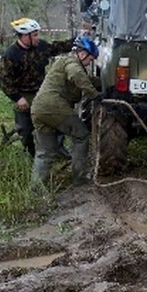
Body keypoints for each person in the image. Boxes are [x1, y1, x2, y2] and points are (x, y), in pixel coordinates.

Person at [30, 36, 101, 187]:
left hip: (38, 108)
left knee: (45, 152)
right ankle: (79, 178)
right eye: (90, 59)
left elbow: (86, 78)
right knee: (81, 135)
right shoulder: (71, 62)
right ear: (82, 54)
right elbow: (77, 75)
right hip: (54, 106)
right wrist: (95, 96)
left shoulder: (64, 61)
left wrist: (103, 83)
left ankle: (36, 189)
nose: (90, 62)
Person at [0, 18, 74, 157]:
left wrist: (76, 41)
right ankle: (32, 155)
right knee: (26, 130)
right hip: (22, 94)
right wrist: (18, 98)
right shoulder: (10, 54)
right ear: (24, 36)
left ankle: (58, 148)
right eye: (35, 35)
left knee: (58, 117)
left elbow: (57, 47)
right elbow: (4, 81)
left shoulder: (41, 47)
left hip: (42, 91)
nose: (38, 38)